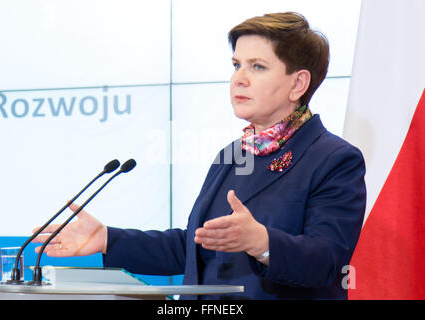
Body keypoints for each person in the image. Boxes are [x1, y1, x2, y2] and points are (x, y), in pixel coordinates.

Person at [33, 12, 366, 299]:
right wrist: (107, 238)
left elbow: (328, 262)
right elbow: (194, 247)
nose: (240, 78)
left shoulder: (333, 159)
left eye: (258, 66)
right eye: (236, 64)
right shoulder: (233, 155)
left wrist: (262, 241)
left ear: (298, 84)